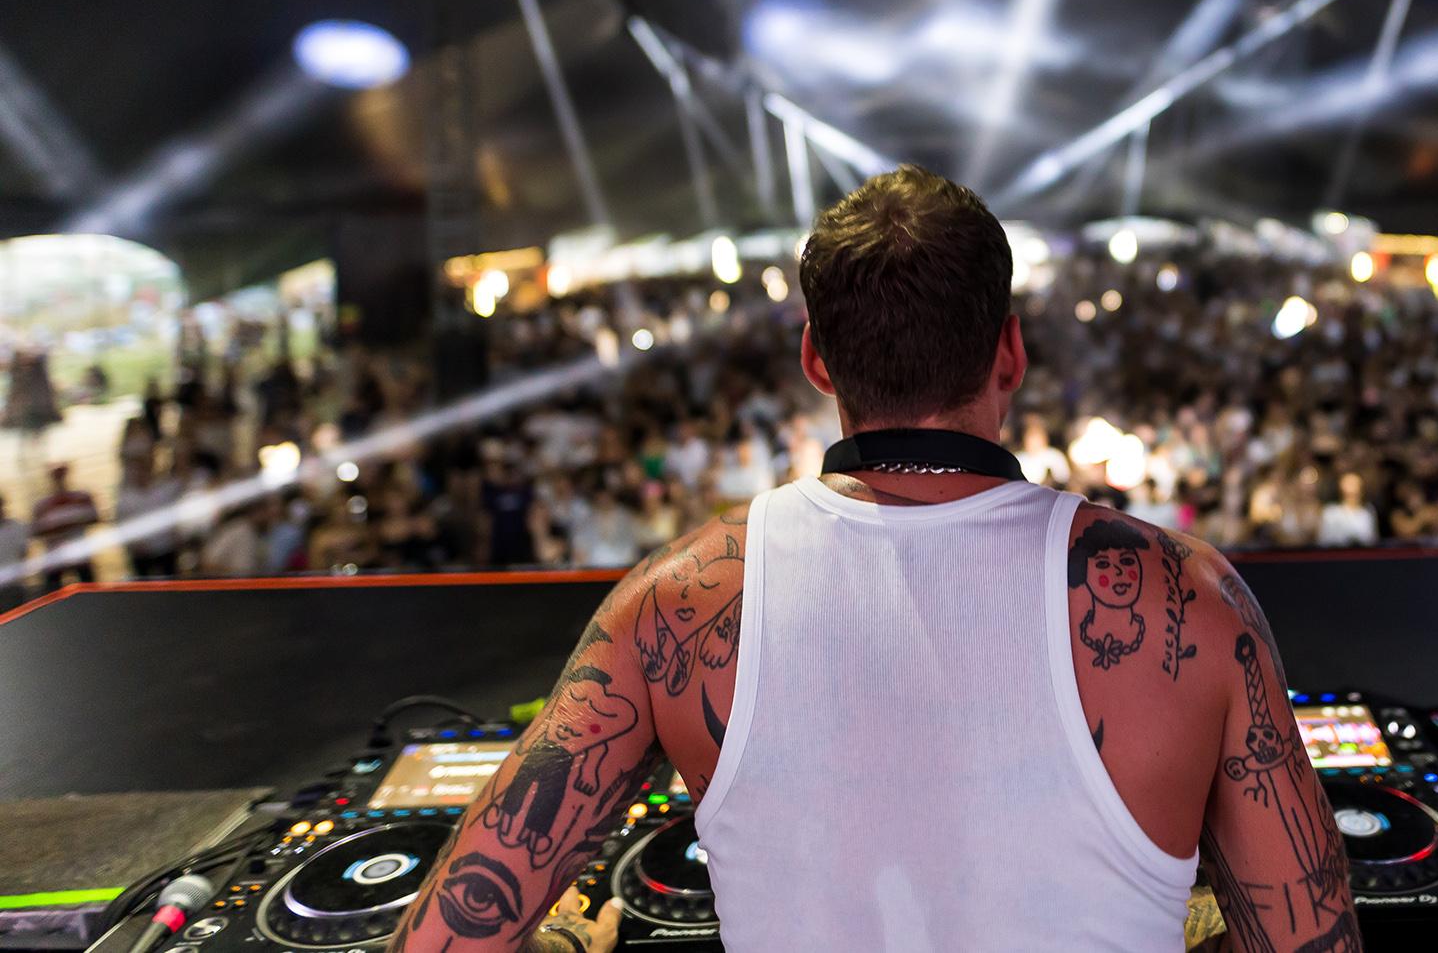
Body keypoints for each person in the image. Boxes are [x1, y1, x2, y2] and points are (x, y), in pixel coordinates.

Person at [391, 166, 1359, 953]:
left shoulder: (672, 602)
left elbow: (445, 940)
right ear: (1010, 354)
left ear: (816, 359)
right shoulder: (1192, 596)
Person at [31, 463, 98, 589]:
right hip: (54, 558)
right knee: (53, 591)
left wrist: (63, 526)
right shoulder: (42, 504)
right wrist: (67, 525)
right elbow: (36, 531)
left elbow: (95, 518)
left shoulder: (81, 497)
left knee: (88, 589)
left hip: (80, 555)